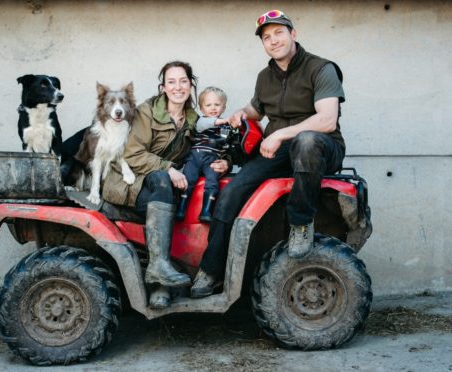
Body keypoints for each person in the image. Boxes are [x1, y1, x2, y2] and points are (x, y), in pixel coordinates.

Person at [190, 9, 346, 298]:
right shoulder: (265, 77)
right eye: (266, 37)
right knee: (232, 191)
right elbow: (256, 109)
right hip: (280, 150)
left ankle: (301, 223)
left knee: (307, 141)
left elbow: (327, 120)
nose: (273, 40)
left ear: (293, 34)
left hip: (321, 147)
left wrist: (278, 134)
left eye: (278, 33)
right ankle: (211, 271)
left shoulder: (321, 68)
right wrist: (240, 113)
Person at [100, 61, 229, 308]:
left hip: (163, 186)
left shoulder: (194, 118)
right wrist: (168, 169)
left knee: (179, 196)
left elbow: (208, 146)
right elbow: (132, 154)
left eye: (183, 81)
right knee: (162, 181)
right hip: (130, 182)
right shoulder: (147, 111)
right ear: (163, 87)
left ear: (191, 85)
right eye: (171, 82)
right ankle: (160, 280)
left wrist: (224, 161)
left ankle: (162, 282)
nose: (177, 87)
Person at [175, 86, 234, 222]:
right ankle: (181, 209)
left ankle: (206, 211)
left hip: (212, 159)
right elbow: (204, 124)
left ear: (223, 108)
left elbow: (225, 143)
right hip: (195, 157)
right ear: (202, 109)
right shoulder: (200, 122)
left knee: (212, 182)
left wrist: (223, 144)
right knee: (188, 180)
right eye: (208, 105)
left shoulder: (225, 127)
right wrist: (221, 121)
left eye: (217, 105)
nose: (213, 108)